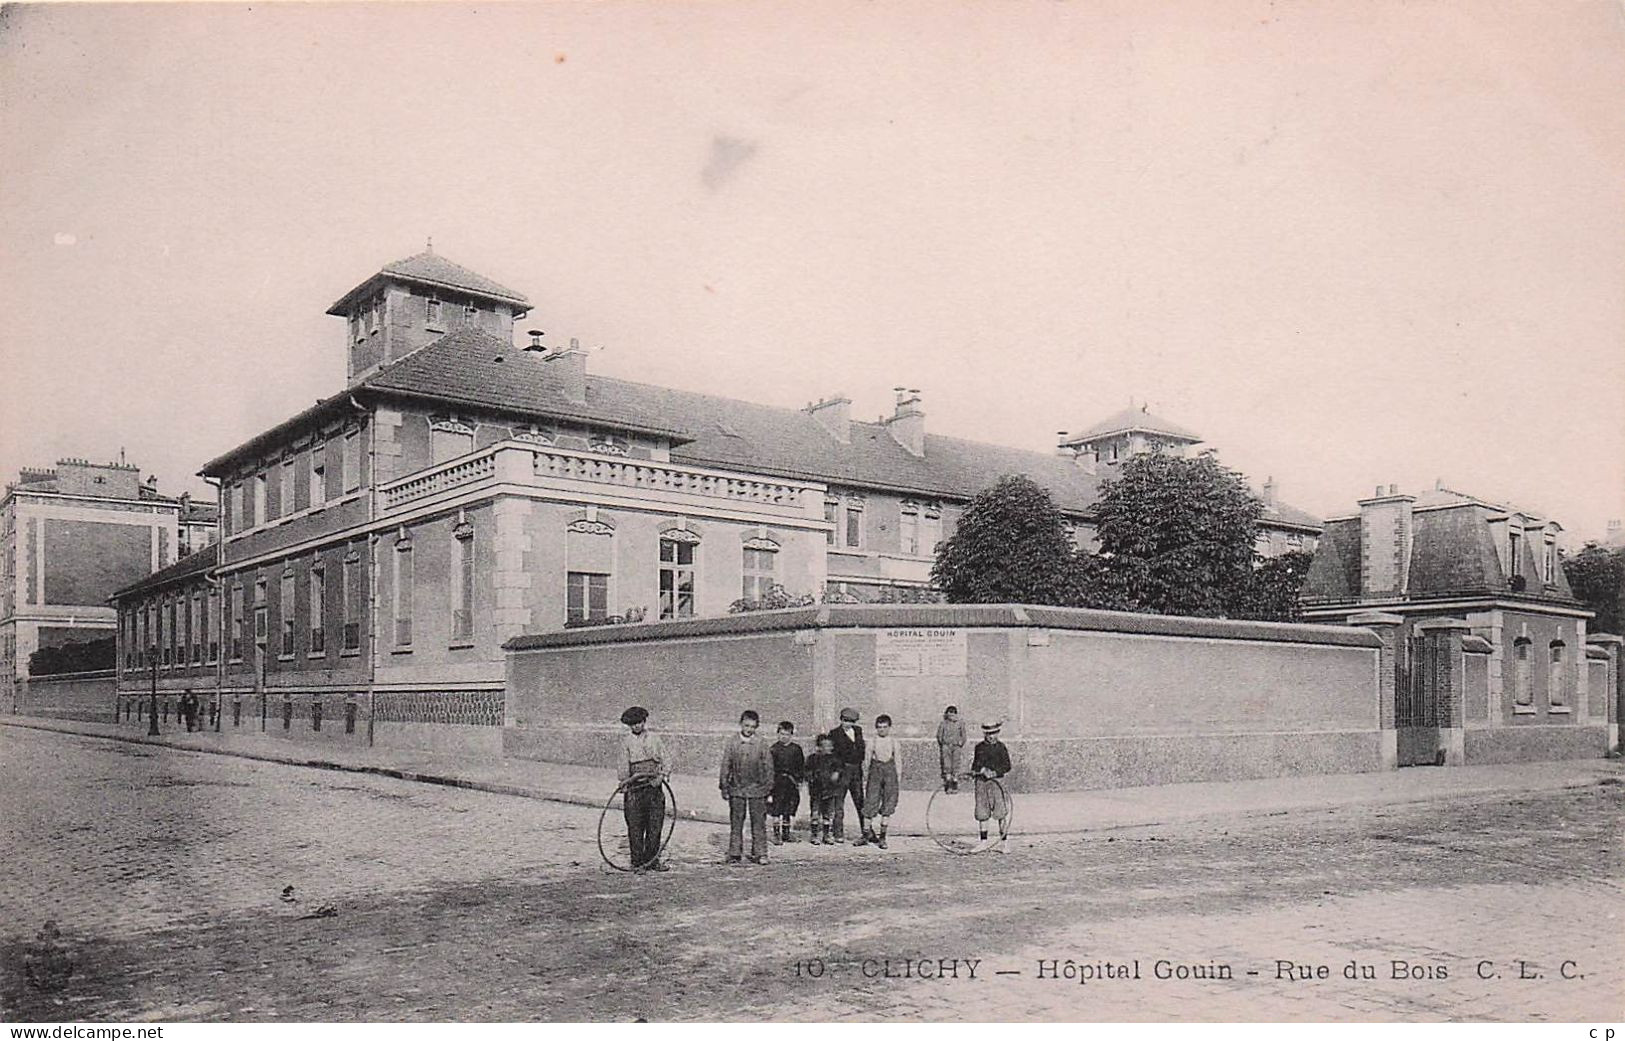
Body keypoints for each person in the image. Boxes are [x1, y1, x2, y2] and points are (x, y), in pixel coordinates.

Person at [617, 706, 671, 873]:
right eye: (633, 724)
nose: (637, 727)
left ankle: (653, 860)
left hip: (654, 786)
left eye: (639, 723)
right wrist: (625, 781)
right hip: (635, 788)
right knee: (635, 826)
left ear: (644, 721)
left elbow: (666, 758)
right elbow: (623, 765)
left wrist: (662, 776)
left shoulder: (655, 739)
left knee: (655, 825)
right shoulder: (626, 742)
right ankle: (638, 862)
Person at [719, 709, 775, 865]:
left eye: (752, 727)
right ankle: (735, 852)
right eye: (746, 726)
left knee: (758, 822)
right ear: (740, 724)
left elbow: (768, 766)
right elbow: (726, 764)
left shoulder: (761, 743)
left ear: (756, 727)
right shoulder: (732, 742)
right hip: (737, 788)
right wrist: (724, 785)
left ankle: (760, 853)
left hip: (757, 789)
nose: (749, 729)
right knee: (736, 821)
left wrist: (768, 787)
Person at [970, 721, 1013, 854]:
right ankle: (983, 842)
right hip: (982, 783)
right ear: (984, 734)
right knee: (982, 813)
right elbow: (975, 765)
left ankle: (1004, 843)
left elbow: (1007, 766)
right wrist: (981, 769)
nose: (991, 736)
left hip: (997, 783)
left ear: (998, 733)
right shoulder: (979, 747)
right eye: (988, 734)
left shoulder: (1001, 747)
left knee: (1001, 813)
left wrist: (995, 772)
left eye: (993, 733)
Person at [826, 707, 866, 843]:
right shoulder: (834, 734)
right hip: (842, 771)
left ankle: (866, 831)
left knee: (860, 802)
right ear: (841, 720)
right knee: (839, 803)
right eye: (845, 720)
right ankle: (838, 833)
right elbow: (833, 755)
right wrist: (836, 771)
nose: (847, 724)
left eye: (851, 721)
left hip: (856, 771)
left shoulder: (858, 731)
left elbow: (862, 751)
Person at [862, 714, 900, 849]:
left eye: (884, 727)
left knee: (889, 803)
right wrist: (866, 776)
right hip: (875, 771)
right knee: (870, 801)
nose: (882, 730)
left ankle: (882, 837)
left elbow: (898, 760)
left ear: (889, 727)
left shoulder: (893, 741)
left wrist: (898, 778)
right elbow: (867, 760)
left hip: (890, 773)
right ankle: (865, 835)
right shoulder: (872, 741)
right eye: (879, 727)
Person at [768, 721, 805, 844]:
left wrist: (799, 781)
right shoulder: (774, 749)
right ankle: (776, 833)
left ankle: (786, 833)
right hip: (778, 782)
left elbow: (801, 766)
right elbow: (769, 767)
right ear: (777, 734)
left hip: (791, 782)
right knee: (777, 807)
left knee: (789, 807)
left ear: (791, 735)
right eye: (781, 734)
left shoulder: (796, 749)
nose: (784, 737)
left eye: (787, 734)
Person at [804, 734, 845, 845]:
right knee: (815, 813)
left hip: (830, 790)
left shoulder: (835, 759)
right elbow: (807, 771)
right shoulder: (812, 758)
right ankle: (814, 835)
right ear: (819, 747)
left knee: (827, 813)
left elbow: (840, 769)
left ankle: (826, 835)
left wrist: (837, 773)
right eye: (824, 746)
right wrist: (811, 777)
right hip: (816, 790)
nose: (827, 748)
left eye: (829, 746)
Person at [936, 705, 966, 793]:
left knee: (956, 764)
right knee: (947, 764)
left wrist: (960, 743)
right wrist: (943, 743)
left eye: (953, 713)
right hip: (946, 746)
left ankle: (955, 784)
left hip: (956, 746)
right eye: (949, 713)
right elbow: (939, 735)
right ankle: (948, 784)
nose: (951, 715)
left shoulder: (960, 723)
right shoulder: (943, 723)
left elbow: (963, 735)